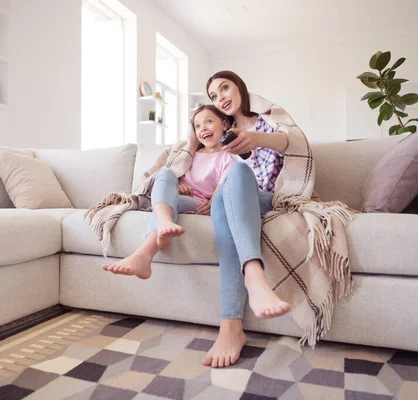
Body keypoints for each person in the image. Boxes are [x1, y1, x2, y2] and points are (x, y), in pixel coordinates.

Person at [202, 70, 292, 368]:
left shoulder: (268, 118)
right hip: (232, 201)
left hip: (268, 198)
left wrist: (253, 138)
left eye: (224, 88)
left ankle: (250, 281)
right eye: (214, 96)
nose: (220, 97)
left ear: (240, 87)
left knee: (239, 172)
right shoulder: (222, 130)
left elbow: (293, 142)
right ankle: (232, 326)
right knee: (223, 199)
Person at [102, 105, 236, 280]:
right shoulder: (188, 154)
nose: (203, 128)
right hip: (174, 197)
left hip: (197, 203)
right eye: (197, 126)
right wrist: (178, 186)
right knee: (165, 173)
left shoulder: (227, 157)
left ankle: (145, 253)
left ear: (225, 124)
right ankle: (164, 222)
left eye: (209, 121)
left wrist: (212, 204)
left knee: (164, 204)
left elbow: (222, 186)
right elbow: (172, 177)